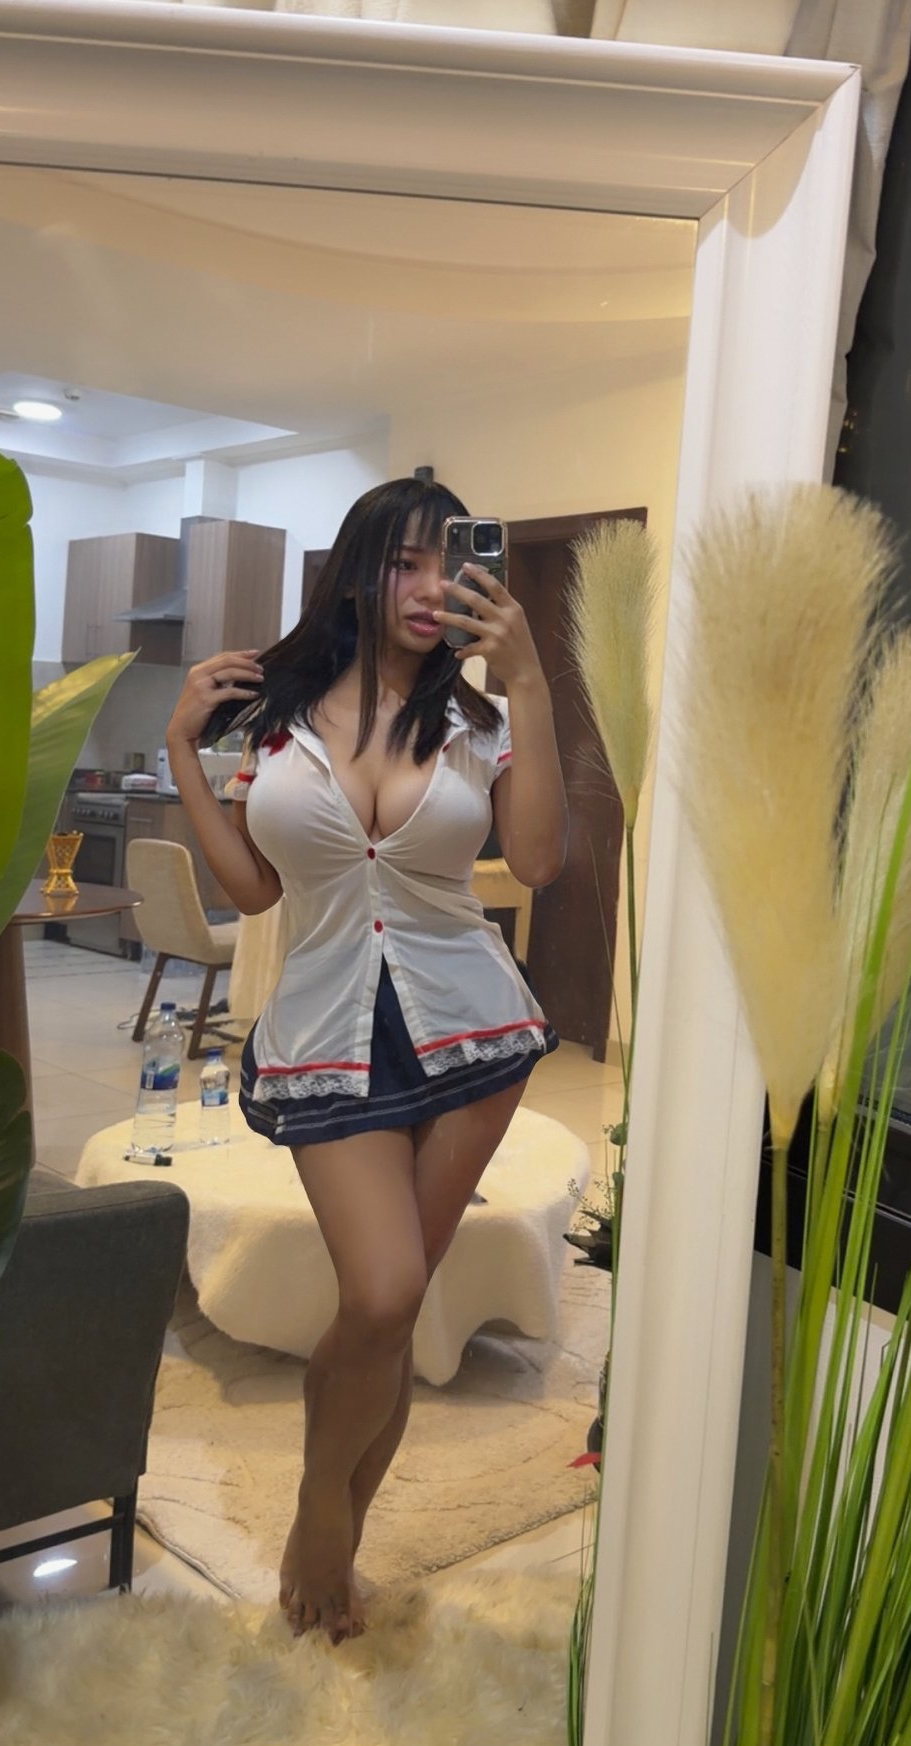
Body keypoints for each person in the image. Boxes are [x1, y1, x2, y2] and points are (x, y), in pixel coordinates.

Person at [163, 476, 567, 1645]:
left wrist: (531, 683)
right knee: (381, 1290)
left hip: (471, 1032)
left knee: (395, 1312)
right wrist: (184, 750)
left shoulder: (482, 722)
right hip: (326, 1036)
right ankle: (318, 1503)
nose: (431, 588)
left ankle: (333, 1535)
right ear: (359, 572)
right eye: (405, 562)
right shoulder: (277, 718)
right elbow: (256, 891)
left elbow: (537, 861)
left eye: (452, 563)